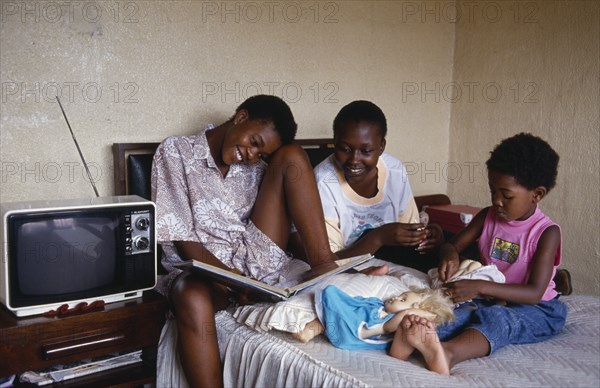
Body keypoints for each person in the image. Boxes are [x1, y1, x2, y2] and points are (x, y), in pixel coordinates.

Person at [152, 95, 387, 387]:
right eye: (254, 142)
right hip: (206, 272)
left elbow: (287, 231)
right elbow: (184, 240)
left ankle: (327, 267)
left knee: (292, 156)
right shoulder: (175, 151)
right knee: (189, 293)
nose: (251, 155)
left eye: (260, 153)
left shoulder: (257, 165)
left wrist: (344, 266)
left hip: (255, 261)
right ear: (240, 117)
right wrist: (235, 282)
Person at [389, 133, 567, 375]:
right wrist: (450, 254)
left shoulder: (546, 233)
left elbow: (534, 293)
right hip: (489, 298)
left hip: (537, 309)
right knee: (456, 315)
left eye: (506, 195)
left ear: (537, 194)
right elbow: (452, 245)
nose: (497, 201)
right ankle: (411, 339)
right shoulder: (487, 216)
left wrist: (480, 286)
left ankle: (449, 353)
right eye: (492, 191)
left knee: (499, 320)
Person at [310, 100, 445, 272]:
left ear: (381, 147)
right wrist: (379, 237)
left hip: (393, 259)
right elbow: (329, 262)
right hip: (348, 267)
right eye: (345, 149)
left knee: (454, 249)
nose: (354, 160)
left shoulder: (395, 171)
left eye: (366, 151)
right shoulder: (323, 181)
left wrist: (430, 236)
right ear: (334, 143)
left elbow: (411, 236)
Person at [320, 285, 454, 350]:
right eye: (401, 295)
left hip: (350, 333)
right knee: (332, 294)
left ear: (412, 310)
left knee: (331, 295)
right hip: (351, 322)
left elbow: (387, 328)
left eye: (402, 300)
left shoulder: (392, 321)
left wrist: (410, 312)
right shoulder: (381, 307)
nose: (396, 297)